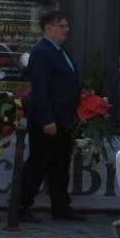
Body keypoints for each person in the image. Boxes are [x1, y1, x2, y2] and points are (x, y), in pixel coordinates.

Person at [18, 11, 83, 222]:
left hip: (64, 120)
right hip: (49, 121)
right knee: (38, 163)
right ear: (49, 28)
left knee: (60, 165)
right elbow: (41, 89)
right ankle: (22, 206)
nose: (67, 29)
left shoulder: (59, 51)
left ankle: (61, 207)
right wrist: (47, 119)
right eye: (62, 25)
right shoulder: (42, 52)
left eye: (66, 25)